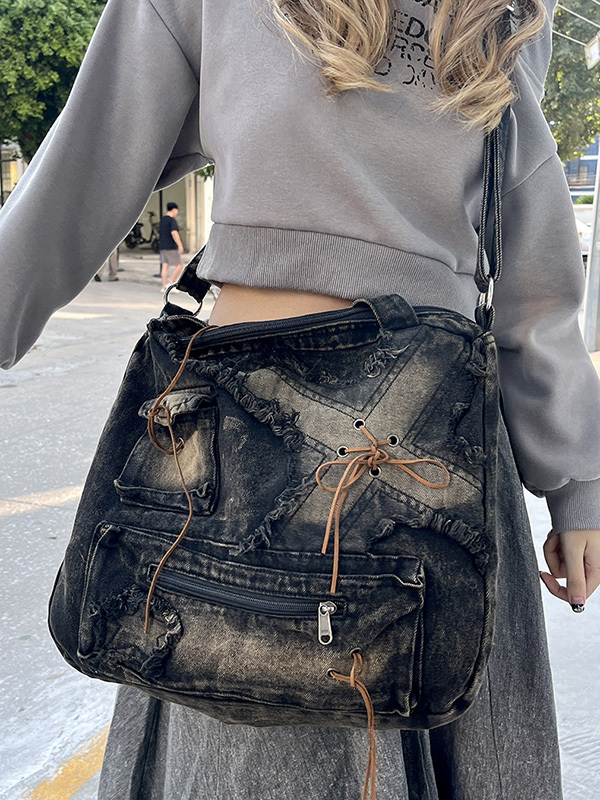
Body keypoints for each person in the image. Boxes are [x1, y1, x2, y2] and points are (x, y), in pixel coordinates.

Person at [0, 0, 599, 797]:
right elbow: (81, 174)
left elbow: (530, 262)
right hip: (245, 462)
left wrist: (577, 484)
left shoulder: (503, 9)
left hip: (421, 463)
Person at [158, 201, 184, 288]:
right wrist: (180, 245)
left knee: (165, 265)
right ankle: (171, 284)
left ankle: (164, 285)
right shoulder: (172, 220)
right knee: (180, 265)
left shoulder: (162, 220)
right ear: (174, 210)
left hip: (162, 246)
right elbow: (174, 233)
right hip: (171, 247)